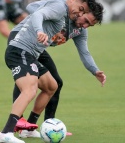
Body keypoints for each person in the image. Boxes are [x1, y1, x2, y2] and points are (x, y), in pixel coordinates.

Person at [0, 0, 97, 143]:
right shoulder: (60, 6)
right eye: (81, 10)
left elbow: (84, 52)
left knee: (52, 85)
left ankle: (27, 129)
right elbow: (36, 13)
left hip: (31, 53)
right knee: (29, 88)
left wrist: (95, 71)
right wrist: (39, 31)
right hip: (20, 49)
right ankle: (6, 133)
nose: (80, 15)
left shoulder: (69, 19)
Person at [13, 10, 106, 138]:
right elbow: (33, 7)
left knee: (56, 83)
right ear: (81, 12)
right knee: (27, 80)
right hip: (21, 41)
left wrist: (95, 70)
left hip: (37, 49)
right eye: (86, 21)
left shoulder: (80, 31)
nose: (85, 26)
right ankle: (18, 122)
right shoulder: (61, 15)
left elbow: (84, 53)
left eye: (89, 25)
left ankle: (47, 126)